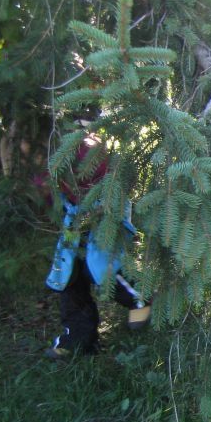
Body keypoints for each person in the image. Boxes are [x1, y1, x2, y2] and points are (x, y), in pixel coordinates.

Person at [44, 129, 149, 359]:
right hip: (73, 222)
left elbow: (104, 173)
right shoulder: (37, 151)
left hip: (101, 214)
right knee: (69, 278)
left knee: (104, 266)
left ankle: (140, 298)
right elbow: (51, 196)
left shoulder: (78, 141)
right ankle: (77, 338)